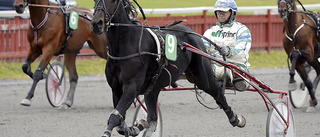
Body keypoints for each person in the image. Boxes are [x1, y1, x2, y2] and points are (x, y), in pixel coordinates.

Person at [203, 0, 252, 91]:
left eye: (224, 12)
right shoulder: (211, 31)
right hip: (214, 66)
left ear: (232, 13)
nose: (221, 15)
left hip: (234, 66)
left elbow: (242, 51)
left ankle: (239, 81)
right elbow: (203, 48)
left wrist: (229, 51)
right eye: (218, 12)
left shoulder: (242, 30)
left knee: (237, 75)